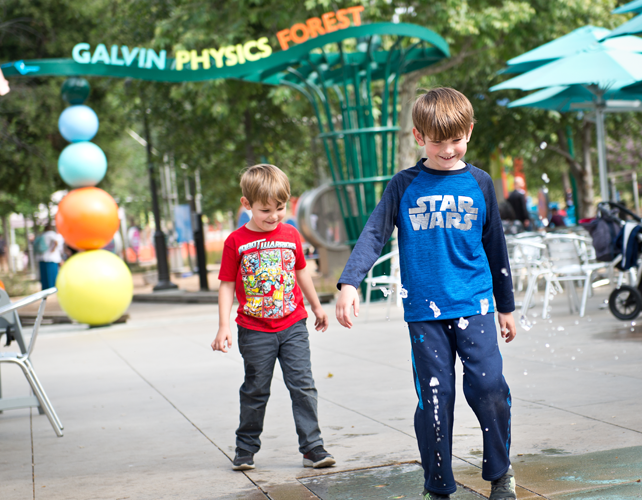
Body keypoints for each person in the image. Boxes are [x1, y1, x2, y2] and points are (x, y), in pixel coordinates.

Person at [335, 88, 518, 500]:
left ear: (469, 132)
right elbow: (373, 235)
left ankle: (500, 473)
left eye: (456, 140)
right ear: (419, 136)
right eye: (438, 141)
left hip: (476, 304)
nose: (448, 150)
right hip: (425, 313)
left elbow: (496, 247)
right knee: (436, 396)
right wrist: (350, 283)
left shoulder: (480, 183)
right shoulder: (404, 185)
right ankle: (438, 486)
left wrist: (506, 306)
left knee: (489, 388)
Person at [211, 164, 334, 472]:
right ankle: (245, 448)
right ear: (246, 205)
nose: (274, 216)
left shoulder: (291, 234)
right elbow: (226, 284)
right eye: (265, 210)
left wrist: (317, 307)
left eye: (280, 208)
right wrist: (224, 325)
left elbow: (301, 272)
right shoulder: (235, 242)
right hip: (254, 330)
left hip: (293, 325)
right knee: (255, 389)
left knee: (303, 385)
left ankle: (312, 448)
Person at [35, 222, 64, 290]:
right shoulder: (51, 234)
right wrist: (53, 249)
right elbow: (56, 241)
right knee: (52, 277)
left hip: (42, 258)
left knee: (45, 278)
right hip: (51, 259)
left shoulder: (41, 235)